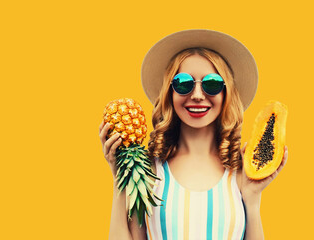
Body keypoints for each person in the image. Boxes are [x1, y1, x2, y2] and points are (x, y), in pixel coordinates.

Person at [99, 29, 288, 240]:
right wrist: (120, 180)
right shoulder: (149, 170)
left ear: (226, 92)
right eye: (183, 84)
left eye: (212, 84)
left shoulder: (241, 171)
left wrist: (252, 199)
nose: (197, 95)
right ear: (170, 93)